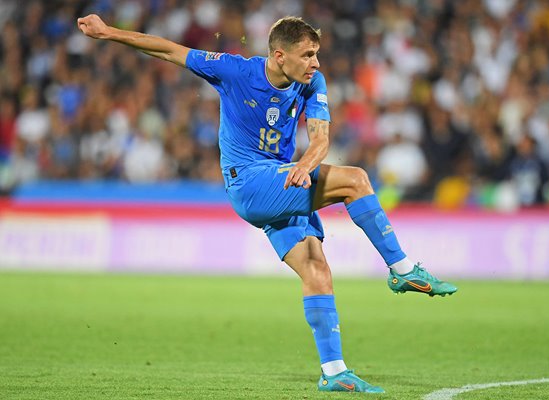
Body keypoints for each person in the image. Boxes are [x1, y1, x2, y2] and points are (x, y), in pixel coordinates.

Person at [77, 14, 457, 393]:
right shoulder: (234, 71)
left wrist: (306, 165)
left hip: (284, 179)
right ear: (279, 56)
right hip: (250, 183)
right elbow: (170, 50)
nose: (316, 63)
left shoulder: (313, 83)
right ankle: (403, 268)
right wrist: (108, 32)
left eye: (317, 54)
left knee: (316, 269)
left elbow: (320, 138)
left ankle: (334, 371)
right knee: (355, 180)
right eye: (307, 55)